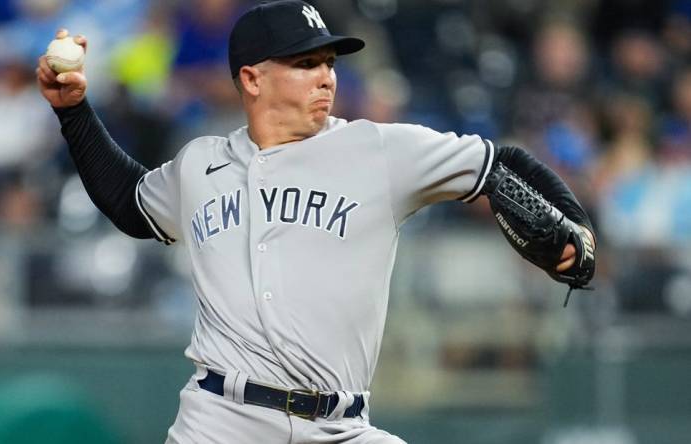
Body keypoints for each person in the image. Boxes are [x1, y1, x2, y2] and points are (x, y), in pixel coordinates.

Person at [36, 1, 595, 442]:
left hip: (341, 427)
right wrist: (72, 111)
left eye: (328, 62)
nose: (326, 77)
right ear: (252, 80)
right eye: (306, 64)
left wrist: (573, 224)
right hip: (221, 420)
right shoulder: (199, 163)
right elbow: (131, 203)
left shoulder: (377, 149)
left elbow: (500, 164)